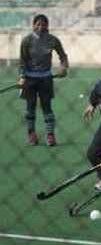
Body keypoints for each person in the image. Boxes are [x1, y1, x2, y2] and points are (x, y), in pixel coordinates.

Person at [18, 14, 68, 146]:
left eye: (43, 24)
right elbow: (22, 61)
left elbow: (63, 56)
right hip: (29, 79)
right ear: (33, 25)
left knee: (47, 107)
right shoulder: (26, 40)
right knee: (30, 107)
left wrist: (64, 67)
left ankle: (50, 136)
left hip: (45, 78)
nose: (40, 27)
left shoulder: (53, 40)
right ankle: (31, 134)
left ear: (47, 25)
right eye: (38, 24)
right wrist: (22, 77)